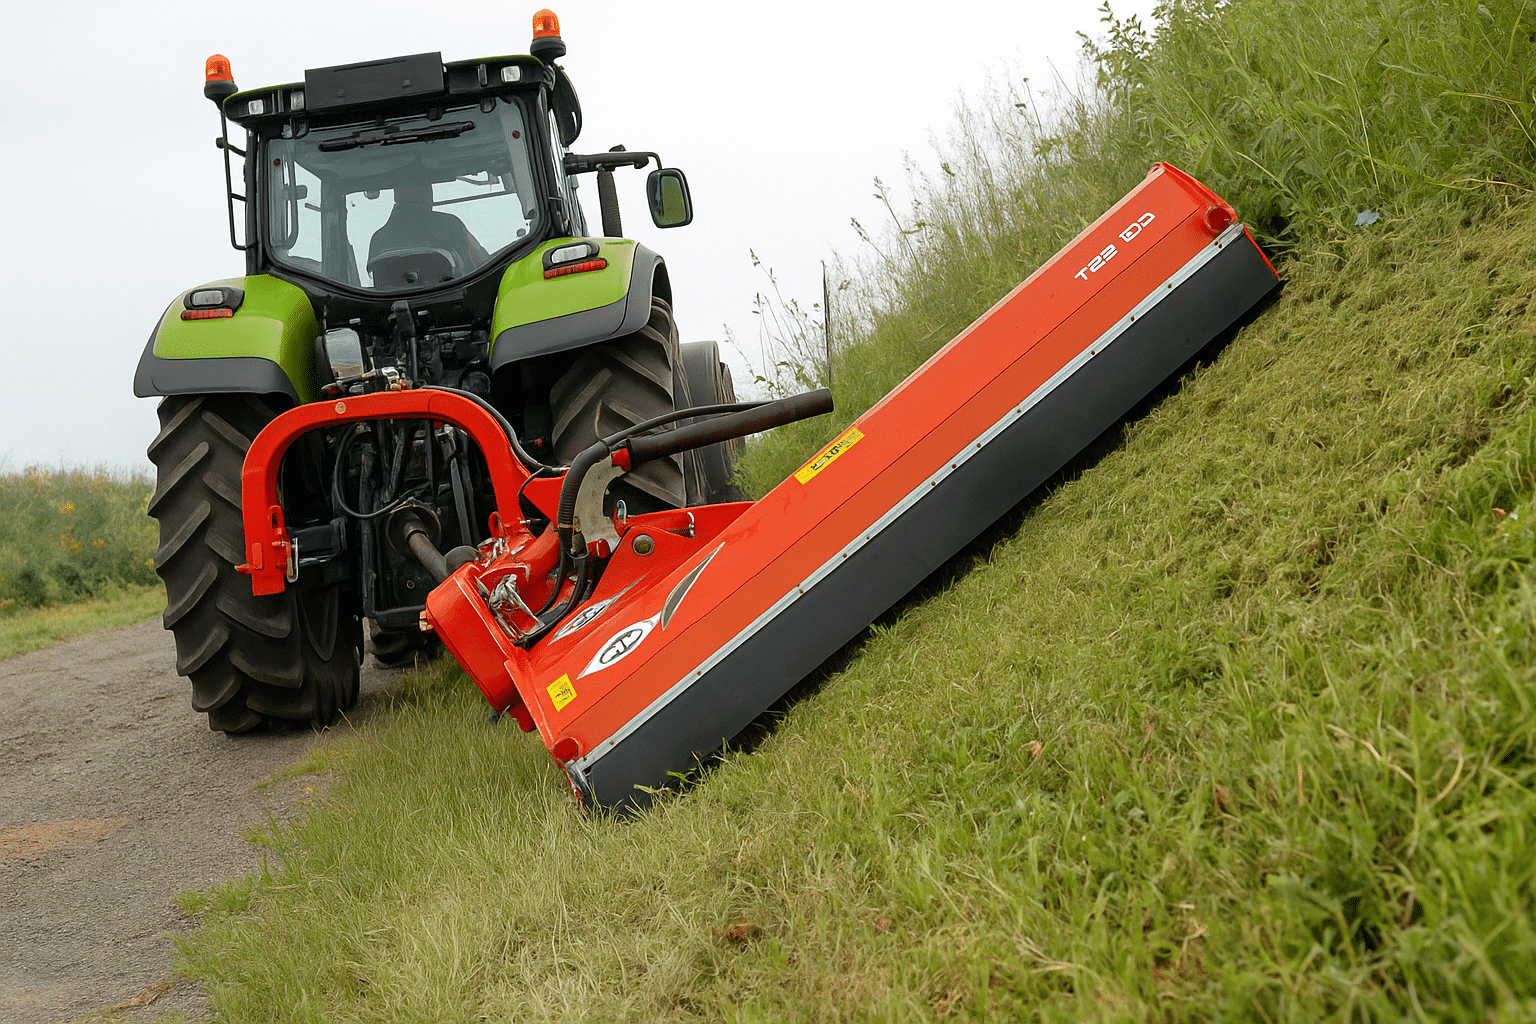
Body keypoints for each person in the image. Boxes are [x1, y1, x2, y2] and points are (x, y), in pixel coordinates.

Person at [368, 181, 489, 280]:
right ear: (425, 192)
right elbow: (478, 264)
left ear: (396, 195)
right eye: (424, 184)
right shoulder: (450, 224)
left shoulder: (378, 239)